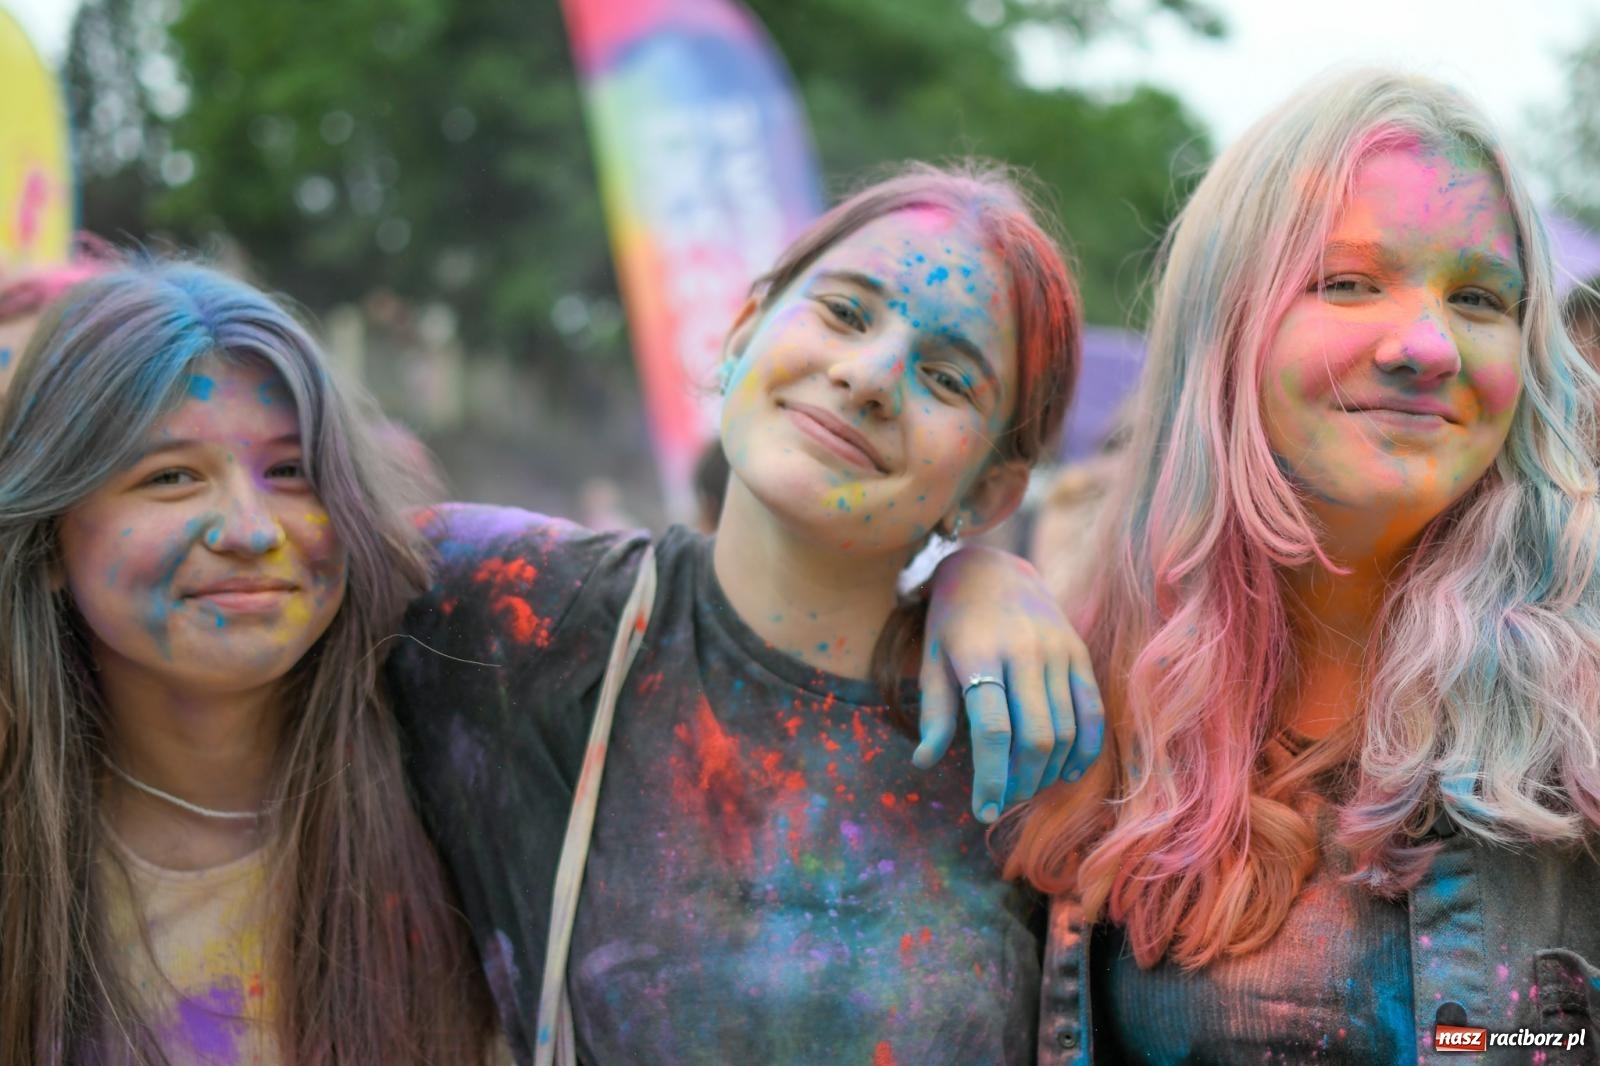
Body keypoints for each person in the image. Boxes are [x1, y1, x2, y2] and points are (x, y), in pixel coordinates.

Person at [388, 161, 1100, 1064]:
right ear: (742, 332)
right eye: (845, 312)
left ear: (991, 491)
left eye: (950, 379)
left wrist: (994, 575)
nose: (869, 376)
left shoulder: (1038, 736)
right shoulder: (510, 607)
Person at [1000, 69, 1600, 1063]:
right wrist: (969, 592)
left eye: (1478, 297)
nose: (1428, 346)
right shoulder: (1080, 694)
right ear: (1226, 328)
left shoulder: (1578, 706)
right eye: (1349, 282)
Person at [0, 263, 496, 1064]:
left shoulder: (478, 783)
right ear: (51, 539)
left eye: (291, 471)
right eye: (171, 477)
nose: (251, 529)